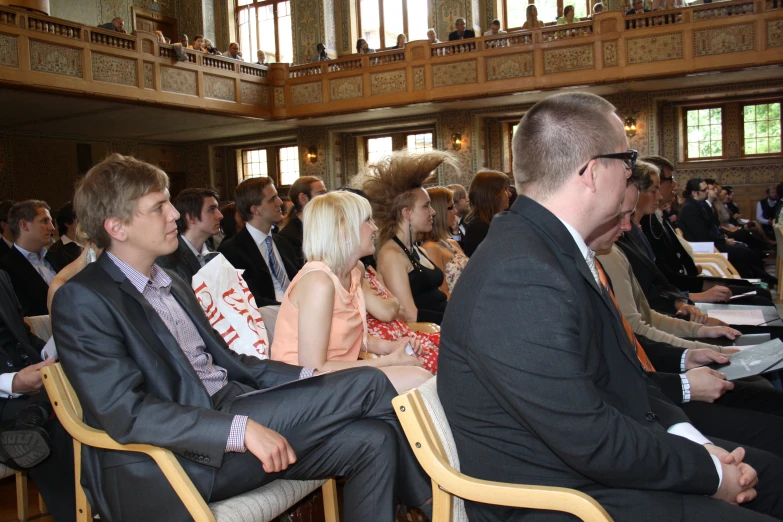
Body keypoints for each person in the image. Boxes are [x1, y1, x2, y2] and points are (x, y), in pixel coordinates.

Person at [438, 92, 783, 522]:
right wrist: (710, 473)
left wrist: (696, 442)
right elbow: (589, 438)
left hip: (592, 473)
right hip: (557, 500)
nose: (630, 173)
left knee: (770, 474)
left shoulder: (549, 250)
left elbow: (626, 381)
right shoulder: (519, 273)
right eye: (627, 158)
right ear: (591, 170)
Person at [51, 153, 432, 522]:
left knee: (374, 439)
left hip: (235, 412)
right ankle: (447, 505)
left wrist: (306, 379)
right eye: (158, 207)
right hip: (178, 459)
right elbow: (126, 413)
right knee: (369, 382)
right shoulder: (84, 298)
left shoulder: (171, 281)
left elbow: (235, 363)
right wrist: (239, 429)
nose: (173, 215)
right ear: (117, 227)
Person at [270, 191, 432, 393]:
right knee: (420, 380)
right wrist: (387, 362)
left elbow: (350, 339)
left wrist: (390, 347)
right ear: (343, 229)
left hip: (335, 379)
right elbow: (313, 368)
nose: (375, 227)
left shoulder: (356, 271)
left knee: (421, 376)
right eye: (367, 220)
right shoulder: (318, 282)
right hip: (303, 388)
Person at [0, 270, 75, 522]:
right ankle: (79, 513)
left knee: (92, 396)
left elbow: (20, 335)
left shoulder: (1, 276)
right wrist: (13, 382)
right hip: (7, 394)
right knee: (59, 424)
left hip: (31, 385)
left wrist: (48, 356)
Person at [363, 150, 454, 324]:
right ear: (407, 213)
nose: (433, 212)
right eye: (426, 206)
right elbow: (410, 317)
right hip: (429, 335)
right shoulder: (391, 254)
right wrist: (457, 319)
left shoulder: (417, 249)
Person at [218, 177, 302, 307]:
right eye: (272, 199)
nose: (280, 202)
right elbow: (250, 299)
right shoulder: (231, 251)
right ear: (255, 210)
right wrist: (289, 308)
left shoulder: (283, 242)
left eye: (277, 196)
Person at [678, 178, 772, 283]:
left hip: (712, 243)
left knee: (744, 250)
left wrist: (723, 238)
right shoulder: (690, 208)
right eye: (704, 190)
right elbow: (702, 236)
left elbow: (711, 228)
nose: (707, 191)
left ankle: (758, 280)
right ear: (694, 193)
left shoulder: (697, 205)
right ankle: (751, 282)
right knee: (744, 252)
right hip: (706, 248)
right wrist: (723, 240)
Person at [0, 200, 68, 316]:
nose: (52, 228)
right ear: (24, 225)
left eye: (51, 222)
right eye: (44, 221)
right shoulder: (5, 268)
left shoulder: (57, 257)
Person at [156, 188, 223, 285]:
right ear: (191, 217)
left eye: (217, 209)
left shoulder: (215, 255)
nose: (220, 215)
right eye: (211, 209)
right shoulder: (168, 260)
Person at [421, 187, 468, 297]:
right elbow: (443, 293)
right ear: (439, 210)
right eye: (451, 207)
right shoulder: (430, 248)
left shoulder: (452, 243)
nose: (455, 211)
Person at [460, 170, 511, 257]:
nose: (509, 194)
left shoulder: (495, 220)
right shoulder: (478, 227)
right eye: (505, 189)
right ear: (492, 195)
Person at [278, 176, 327, 266]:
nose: (326, 198)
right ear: (303, 198)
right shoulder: (288, 236)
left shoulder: (323, 227)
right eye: (320, 194)